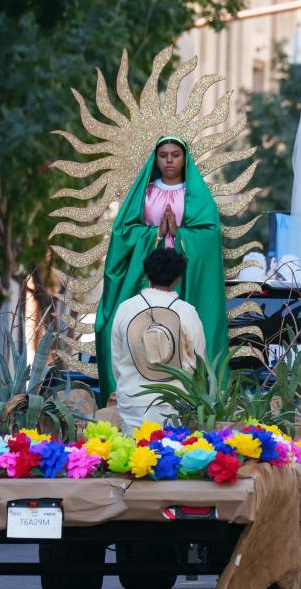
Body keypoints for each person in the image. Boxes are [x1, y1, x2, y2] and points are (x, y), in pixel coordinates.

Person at [94, 136, 228, 401]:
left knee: (191, 328)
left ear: (185, 158)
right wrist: (154, 234)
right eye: (163, 155)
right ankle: (125, 395)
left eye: (175, 155)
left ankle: (195, 397)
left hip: (185, 274)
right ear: (155, 159)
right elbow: (123, 232)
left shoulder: (195, 194)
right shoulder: (146, 192)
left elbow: (210, 234)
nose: (169, 160)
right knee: (114, 327)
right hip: (147, 273)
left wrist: (180, 236)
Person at [110, 248, 206, 431]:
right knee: (172, 455)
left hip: (132, 399)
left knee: (134, 456)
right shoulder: (186, 312)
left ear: (146, 275)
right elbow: (198, 361)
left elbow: (117, 359)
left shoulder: (125, 309)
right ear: (178, 278)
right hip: (175, 401)